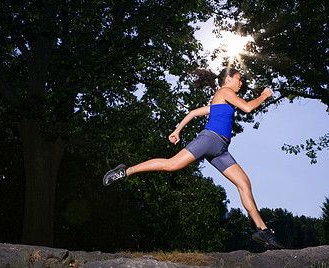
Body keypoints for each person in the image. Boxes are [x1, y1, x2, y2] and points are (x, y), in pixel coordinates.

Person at [103, 67, 285, 250]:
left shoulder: (223, 100)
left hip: (220, 149)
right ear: (228, 79)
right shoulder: (225, 91)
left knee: (244, 183)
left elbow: (193, 113)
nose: (241, 83)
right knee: (171, 165)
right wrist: (264, 95)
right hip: (209, 139)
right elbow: (247, 107)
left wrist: (177, 130)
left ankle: (263, 231)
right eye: (238, 79)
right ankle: (124, 171)